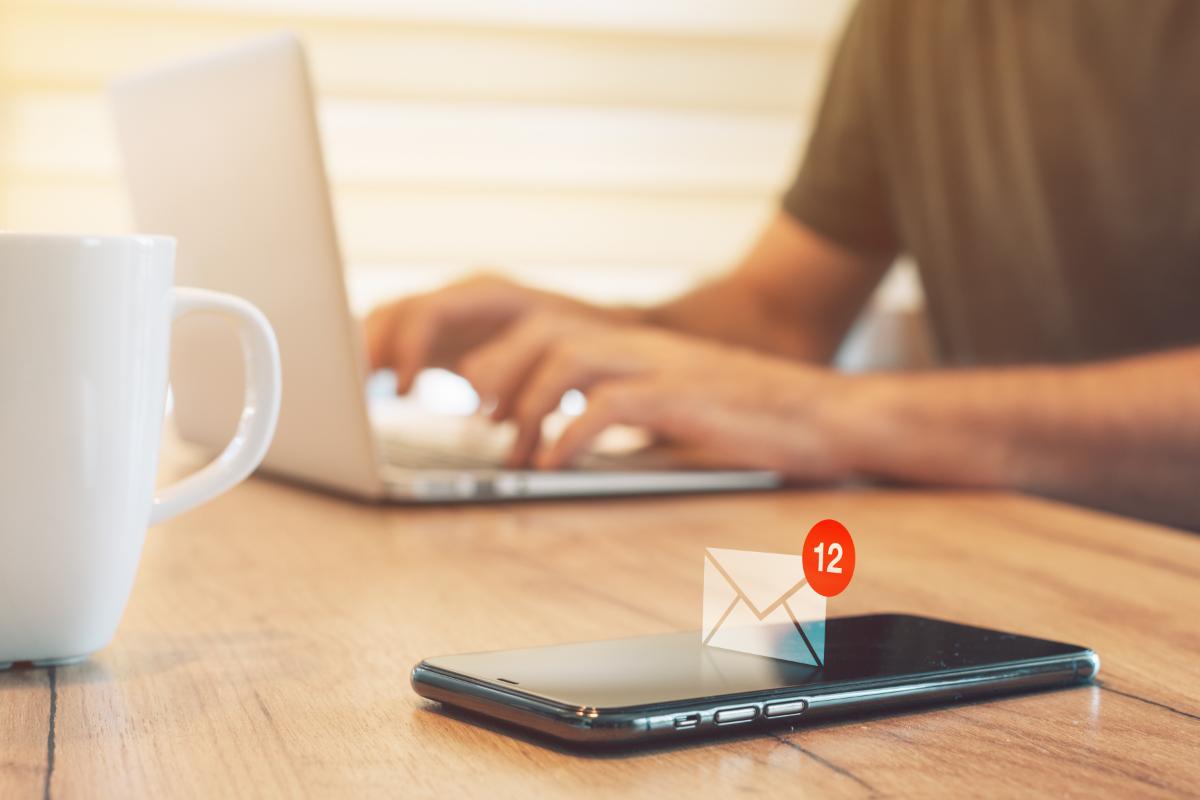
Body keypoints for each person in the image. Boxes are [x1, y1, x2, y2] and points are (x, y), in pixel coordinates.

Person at [365, 0, 1200, 530]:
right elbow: (780, 313)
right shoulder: (908, 19)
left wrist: (836, 414)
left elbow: (805, 394)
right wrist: (603, 335)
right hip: (1014, 556)